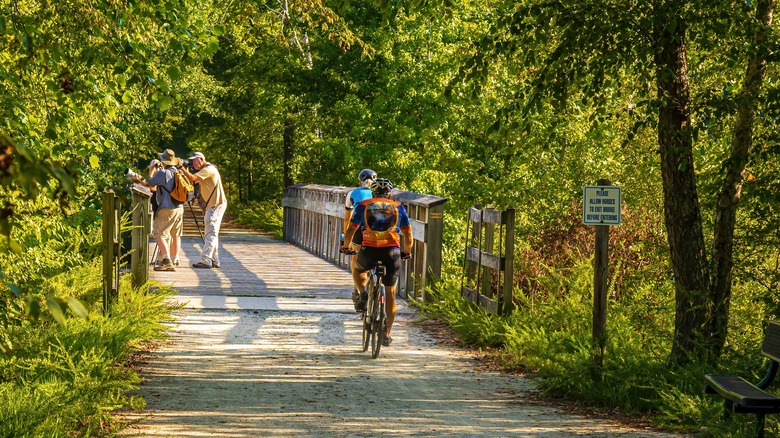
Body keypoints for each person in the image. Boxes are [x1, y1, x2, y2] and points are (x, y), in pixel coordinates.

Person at [341, 178, 413, 347]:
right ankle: (387, 334)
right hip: (392, 253)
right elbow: (408, 235)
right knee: (391, 293)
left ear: (372, 193)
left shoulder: (363, 205)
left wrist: (346, 246)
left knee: (358, 269)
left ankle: (363, 292)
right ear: (390, 193)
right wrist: (407, 252)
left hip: (369, 250)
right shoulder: (398, 208)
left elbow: (351, 229)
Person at [131, 149, 184, 272]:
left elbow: (149, 184)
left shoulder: (162, 173)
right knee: (175, 234)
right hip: (179, 208)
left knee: (158, 234)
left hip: (167, 208)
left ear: (163, 161)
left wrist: (151, 169)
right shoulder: (178, 172)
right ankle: (175, 258)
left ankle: (167, 261)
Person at [180, 152, 227, 269]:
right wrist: (182, 171)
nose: (192, 163)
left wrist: (181, 167)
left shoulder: (208, 169)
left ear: (201, 159)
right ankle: (215, 260)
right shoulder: (207, 170)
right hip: (215, 205)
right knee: (212, 232)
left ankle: (206, 259)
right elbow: (191, 181)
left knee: (210, 232)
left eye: (194, 161)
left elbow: (192, 178)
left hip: (215, 205)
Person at [342, 169, 377, 306]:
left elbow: (347, 218)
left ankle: (358, 290)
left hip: (359, 230)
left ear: (359, 181)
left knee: (355, 258)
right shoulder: (381, 194)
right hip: (379, 232)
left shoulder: (352, 193)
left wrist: (346, 238)